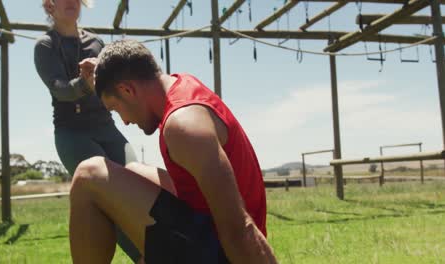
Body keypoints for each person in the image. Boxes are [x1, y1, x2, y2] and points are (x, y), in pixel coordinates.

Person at [68, 39, 278, 263]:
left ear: (127, 90)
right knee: (133, 170)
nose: (126, 121)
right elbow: (126, 73)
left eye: (116, 109)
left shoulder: (183, 127)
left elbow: (240, 229)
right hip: (209, 232)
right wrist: (105, 71)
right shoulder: (181, 88)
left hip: (225, 253)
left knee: (88, 175)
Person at [33, 0, 142, 262]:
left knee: (140, 184)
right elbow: (60, 89)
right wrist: (85, 83)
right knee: (109, 193)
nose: (70, 2)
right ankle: (145, 255)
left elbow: (115, 83)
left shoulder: (96, 42)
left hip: (106, 127)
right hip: (73, 132)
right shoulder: (45, 45)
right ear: (50, 6)